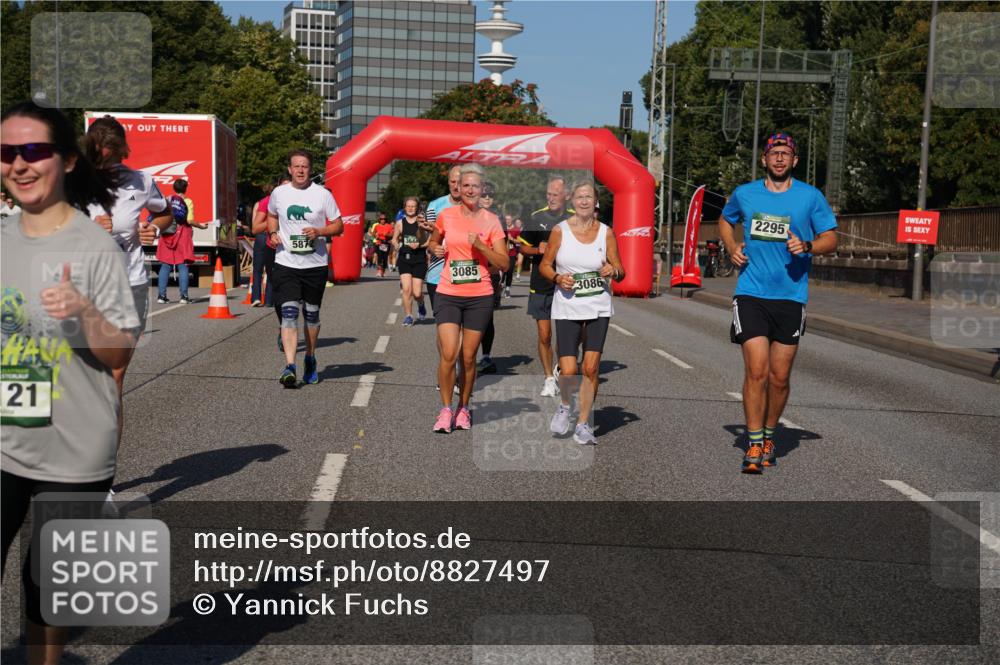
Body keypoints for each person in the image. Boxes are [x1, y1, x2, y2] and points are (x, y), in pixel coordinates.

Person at [2, 101, 139, 665]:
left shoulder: (95, 248)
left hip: (75, 452)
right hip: (7, 439)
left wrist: (84, 314)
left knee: (47, 593)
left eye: (34, 151)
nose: (19, 164)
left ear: (65, 161)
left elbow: (119, 350)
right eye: (7, 153)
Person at [719, 132, 838, 473]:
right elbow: (725, 221)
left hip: (791, 296)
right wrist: (731, 247)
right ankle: (755, 443)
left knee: (779, 377)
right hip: (751, 294)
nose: (780, 159)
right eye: (775, 154)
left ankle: (770, 434)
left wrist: (809, 246)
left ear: (795, 161)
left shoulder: (810, 197)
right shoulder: (746, 193)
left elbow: (831, 237)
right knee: (756, 371)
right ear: (764, 160)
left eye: (786, 154)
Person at [83, 114, 173, 479]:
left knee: (113, 380)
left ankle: (103, 478)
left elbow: (165, 214)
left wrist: (151, 227)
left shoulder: (141, 181)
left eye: (114, 158)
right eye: (102, 160)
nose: (109, 166)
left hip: (129, 284)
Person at [539, 180, 624, 445]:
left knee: (590, 367)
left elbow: (621, 270)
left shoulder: (606, 233)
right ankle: (565, 405)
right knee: (568, 368)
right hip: (567, 306)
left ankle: (584, 423)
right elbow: (544, 265)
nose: (584, 201)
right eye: (579, 197)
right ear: (572, 202)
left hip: (598, 306)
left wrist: (614, 270)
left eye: (589, 197)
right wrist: (556, 278)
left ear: (596, 201)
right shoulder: (559, 231)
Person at [427, 163, 508, 433]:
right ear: (459, 189)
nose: (471, 189)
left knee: (469, 357)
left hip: (479, 295)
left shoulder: (492, 220)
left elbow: (504, 263)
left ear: (482, 188)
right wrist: (435, 248)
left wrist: (481, 246)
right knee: (449, 353)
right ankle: (445, 409)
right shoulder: (446, 215)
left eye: (475, 186)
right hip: (448, 292)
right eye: (466, 185)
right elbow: (433, 242)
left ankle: (463, 407)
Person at [266, 149, 344, 387]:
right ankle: (290, 365)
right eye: (296, 166)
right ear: (289, 169)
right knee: (289, 314)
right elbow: (271, 216)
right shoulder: (279, 193)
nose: (300, 170)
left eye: (305, 166)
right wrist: (272, 232)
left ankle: (310, 357)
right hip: (286, 263)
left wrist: (320, 231)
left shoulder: (322, 195)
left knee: (311, 315)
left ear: (310, 170)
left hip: (315, 265)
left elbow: (339, 226)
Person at [521, 174, 572, 397]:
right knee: (544, 335)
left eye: (555, 194)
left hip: (567, 284)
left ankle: (561, 366)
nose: (550, 198)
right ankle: (548, 378)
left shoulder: (575, 219)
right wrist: (537, 250)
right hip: (541, 284)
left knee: (568, 336)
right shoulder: (535, 218)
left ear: (566, 196)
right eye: (548, 194)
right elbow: (522, 248)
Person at [156, 179, 208, 304]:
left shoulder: (168, 200)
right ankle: (184, 296)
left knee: (165, 264)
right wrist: (202, 226)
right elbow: (189, 221)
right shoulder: (188, 201)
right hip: (182, 233)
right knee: (183, 264)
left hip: (167, 232)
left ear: (174, 188)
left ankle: (161, 296)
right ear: (186, 188)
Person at [476, 181, 507, 374]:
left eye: (490, 195)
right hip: (468, 270)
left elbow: (504, 248)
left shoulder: (497, 218)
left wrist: (495, 267)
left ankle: (486, 357)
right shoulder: (467, 213)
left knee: (487, 318)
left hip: (491, 271)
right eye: (484, 195)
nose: (487, 198)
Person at [424, 164, 463, 315]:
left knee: (463, 329)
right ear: (448, 182)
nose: (456, 186)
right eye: (453, 181)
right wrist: (432, 245)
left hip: (466, 277)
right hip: (438, 276)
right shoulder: (435, 206)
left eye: (460, 182)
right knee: (444, 328)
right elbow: (427, 242)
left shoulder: (474, 208)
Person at [392, 196, 431, 326]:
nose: (410, 208)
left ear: (417, 208)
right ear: (404, 208)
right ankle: (408, 316)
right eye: (408, 206)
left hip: (419, 259)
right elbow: (394, 239)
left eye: (413, 206)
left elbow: (430, 241)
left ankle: (421, 303)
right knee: (407, 289)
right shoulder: (399, 223)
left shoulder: (422, 223)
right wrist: (397, 245)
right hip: (404, 259)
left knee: (417, 292)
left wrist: (419, 245)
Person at [250, 177, 288, 307]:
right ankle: (256, 297)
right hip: (264, 237)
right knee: (258, 269)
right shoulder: (267, 201)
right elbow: (255, 228)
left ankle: (269, 300)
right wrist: (273, 222)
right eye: (283, 186)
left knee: (272, 270)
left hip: (279, 239)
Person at [503, 213, 520, 297]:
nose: (507, 221)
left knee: (509, 271)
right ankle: (500, 286)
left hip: (512, 253)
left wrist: (512, 239)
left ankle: (507, 289)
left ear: (512, 220)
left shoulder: (516, 230)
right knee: (502, 272)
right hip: (502, 253)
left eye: (509, 219)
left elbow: (520, 241)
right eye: (506, 219)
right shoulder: (502, 229)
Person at [372, 213, 393, 277]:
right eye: (381, 219)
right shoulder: (377, 226)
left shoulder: (389, 226)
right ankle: (379, 271)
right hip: (379, 243)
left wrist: (387, 235)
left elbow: (392, 234)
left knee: (385, 258)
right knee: (379, 257)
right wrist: (375, 235)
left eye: (384, 219)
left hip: (386, 243)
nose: (382, 220)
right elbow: (373, 233)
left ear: (386, 219)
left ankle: (383, 271)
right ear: (379, 220)